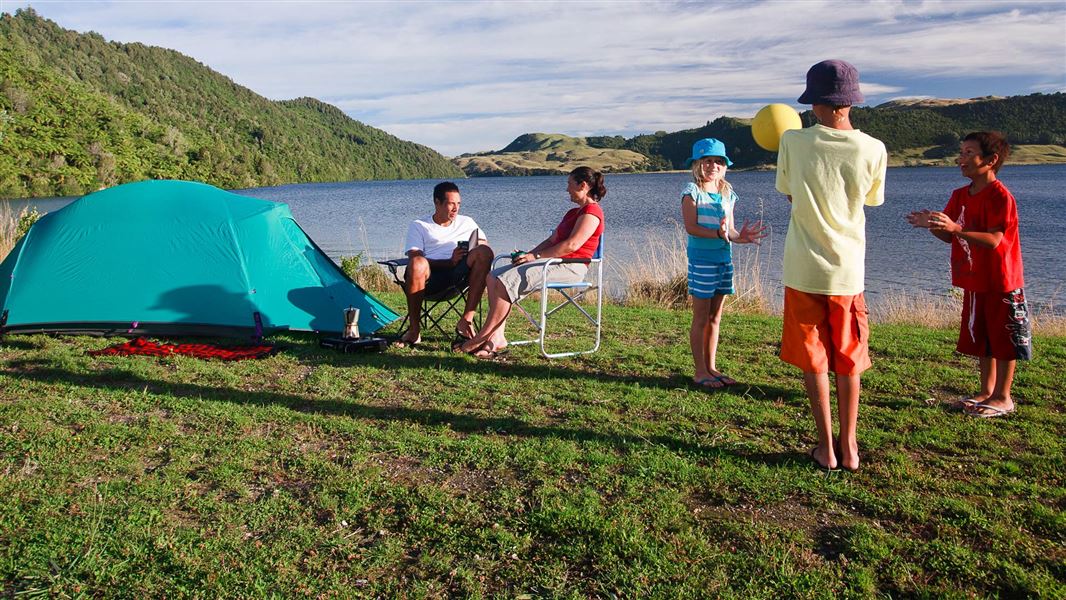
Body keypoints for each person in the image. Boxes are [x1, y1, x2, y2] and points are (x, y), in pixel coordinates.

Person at [776, 60, 887, 472]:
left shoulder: (793, 141)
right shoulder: (874, 148)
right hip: (848, 271)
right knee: (849, 358)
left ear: (819, 101)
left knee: (814, 359)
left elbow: (791, 196)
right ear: (850, 101)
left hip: (803, 268)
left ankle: (825, 448)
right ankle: (851, 447)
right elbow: (868, 202)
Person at [906, 132, 1030, 418]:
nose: (960, 159)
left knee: (1004, 339)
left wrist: (955, 229)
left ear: (990, 160)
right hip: (974, 279)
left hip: (1001, 280)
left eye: (968, 153)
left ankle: (1003, 396)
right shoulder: (959, 195)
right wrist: (933, 226)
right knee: (982, 337)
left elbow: (996, 239)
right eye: (960, 152)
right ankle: (986, 392)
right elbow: (949, 237)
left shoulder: (1001, 196)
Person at [456, 166, 605, 359]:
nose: (567, 189)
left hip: (571, 266)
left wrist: (535, 258)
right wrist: (528, 255)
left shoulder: (592, 212)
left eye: (569, 184)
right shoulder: (572, 213)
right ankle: (498, 337)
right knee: (493, 276)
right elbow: (552, 241)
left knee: (504, 282)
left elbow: (571, 245)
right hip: (552, 262)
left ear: (583, 185)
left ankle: (483, 337)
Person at [681, 138, 767, 390]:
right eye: (707, 160)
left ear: (725, 166)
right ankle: (699, 372)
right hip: (702, 261)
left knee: (715, 317)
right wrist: (720, 234)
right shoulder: (692, 191)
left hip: (723, 261)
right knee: (700, 318)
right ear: (697, 164)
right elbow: (692, 228)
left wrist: (742, 237)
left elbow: (729, 231)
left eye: (719, 161)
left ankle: (712, 367)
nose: (713, 166)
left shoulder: (728, 193)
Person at [397, 181, 493, 347]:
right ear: (437, 202)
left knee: (485, 252)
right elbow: (415, 258)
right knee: (417, 263)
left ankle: (466, 322)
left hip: (460, 277)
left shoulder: (467, 222)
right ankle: (414, 330)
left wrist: (469, 253)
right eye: (451, 204)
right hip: (429, 279)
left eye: (458, 204)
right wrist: (449, 261)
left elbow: (484, 245)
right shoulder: (419, 226)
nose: (456, 209)